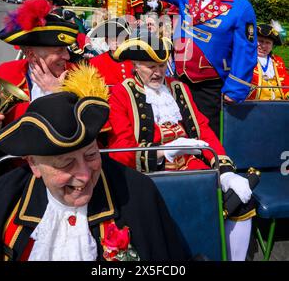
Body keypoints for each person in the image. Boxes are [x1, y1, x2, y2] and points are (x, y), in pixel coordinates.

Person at [0, 64, 188, 261]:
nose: (84, 175)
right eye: (66, 163)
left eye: (91, 155)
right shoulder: (2, 200)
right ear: (33, 164)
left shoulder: (138, 194)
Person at [108, 32, 255, 261]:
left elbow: (203, 129)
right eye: (150, 66)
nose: (158, 72)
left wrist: (225, 171)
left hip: (194, 167)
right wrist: (163, 151)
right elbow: (120, 150)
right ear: (135, 65)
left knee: (242, 201)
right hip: (149, 176)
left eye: (162, 65)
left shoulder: (178, 88)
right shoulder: (120, 94)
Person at [129, 0, 257, 137]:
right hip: (180, 81)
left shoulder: (240, 6)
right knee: (180, 132)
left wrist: (236, 88)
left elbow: (245, 51)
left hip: (211, 87)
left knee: (206, 135)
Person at [0, 0, 79, 136]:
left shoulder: (79, 76)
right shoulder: (6, 72)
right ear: (31, 55)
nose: (67, 56)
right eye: (59, 50)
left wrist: (58, 95)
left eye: (66, 49)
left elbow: (89, 135)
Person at [248, 23, 289, 100]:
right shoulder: (246, 59)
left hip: (278, 105)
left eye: (268, 43)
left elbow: (286, 82)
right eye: (260, 41)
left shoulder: (278, 61)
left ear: (272, 46)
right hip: (253, 105)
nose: (263, 45)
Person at [89, 17, 134, 87]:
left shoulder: (135, 61)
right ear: (106, 40)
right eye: (112, 38)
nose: (116, 42)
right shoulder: (95, 62)